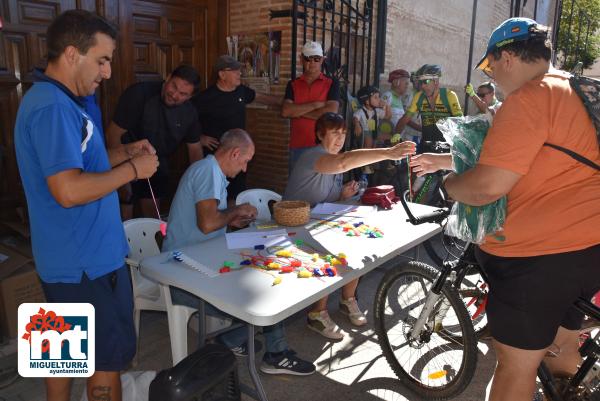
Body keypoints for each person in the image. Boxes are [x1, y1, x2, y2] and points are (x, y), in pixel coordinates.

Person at [428, 18, 600, 401]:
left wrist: (449, 184)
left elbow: (486, 186)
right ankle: (565, 392)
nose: (493, 76)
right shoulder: (579, 90)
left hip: (537, 259)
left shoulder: (531, 97)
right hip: (588, 249)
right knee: (563, 343)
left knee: (515, 367)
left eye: (489, 67)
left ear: (505, 56)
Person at [14, 10, 159, 401]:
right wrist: (133, 169)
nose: (108, 72)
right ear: (73, 53)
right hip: (87, 264)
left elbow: (81, 165)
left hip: (64, 260)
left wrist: (123, 152)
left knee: (62, 359)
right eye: (103, 59)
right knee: (104, 363)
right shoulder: (54, 108)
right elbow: (68, 189)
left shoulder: (55, 98)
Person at [163, 129, 316, 376]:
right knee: (262, 293)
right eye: (245, 161)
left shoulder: (212, 172)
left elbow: (210, 221)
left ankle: (230, 340)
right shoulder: (207, 171)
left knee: (263, 275)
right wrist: (235, 212)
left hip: (199, 259)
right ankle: (275, 354)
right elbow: (207, 223)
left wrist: (232, 219)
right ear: (235, 153)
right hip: (182, 272)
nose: (245, 169)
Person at [284, 113, 416, 339]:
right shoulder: (313, 156)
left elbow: (327, 196)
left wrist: (343, 194)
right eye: (334, 133)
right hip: (293, 227)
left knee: (358, 245)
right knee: (333, 252)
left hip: (318, 222)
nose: (340, 139)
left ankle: (348, 300)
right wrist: (388, 153)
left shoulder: (331, 159)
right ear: (319, 134)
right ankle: (317, 314)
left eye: (343, 134)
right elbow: (343, 162)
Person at [106, 65, 205, 220]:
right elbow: (113, 134)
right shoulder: (138, 94)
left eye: (183, 94)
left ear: (190, 97)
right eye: (174, 86)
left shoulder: (190, 113)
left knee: (152, 218)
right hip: (124, 159)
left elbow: (195, 151)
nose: (175, 94)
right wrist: (119, 173)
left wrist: (200, 185)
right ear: (168, 76)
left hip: (156, 163)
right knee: (124, 214)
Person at [192, 55, 281, 202]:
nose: (240, 73)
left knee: (237, 194)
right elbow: (186, 119)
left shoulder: (241, 91)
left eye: (239, 70)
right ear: (222, 74)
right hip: (216, 157)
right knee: (216, 195)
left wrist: (287, 102)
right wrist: (198, 138)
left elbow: (263, 98)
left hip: (239, 156)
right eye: (234, 70)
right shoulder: (205, 98)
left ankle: (235, 223)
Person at [281, 41, 341, 171]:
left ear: (322, 60)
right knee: (297, 187)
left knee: (322, 187)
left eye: (316, 58)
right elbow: (286, 111)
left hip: (325, 146)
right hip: (298, 146)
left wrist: (298, 111)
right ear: (301, 59)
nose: (312, 62)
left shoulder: (332, 83)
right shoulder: (292, 84)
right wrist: (315, 105)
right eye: (308, 58)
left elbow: (331, 113)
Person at [394, 64, 463, 151]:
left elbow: (460, 122)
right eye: (420, 82)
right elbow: (405, 119)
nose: (422, 86)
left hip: (445, 148)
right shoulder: (419, 97)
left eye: (426, 82)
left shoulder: (449, 96)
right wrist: (396, 134)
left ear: (436, 81)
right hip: (426, 147)